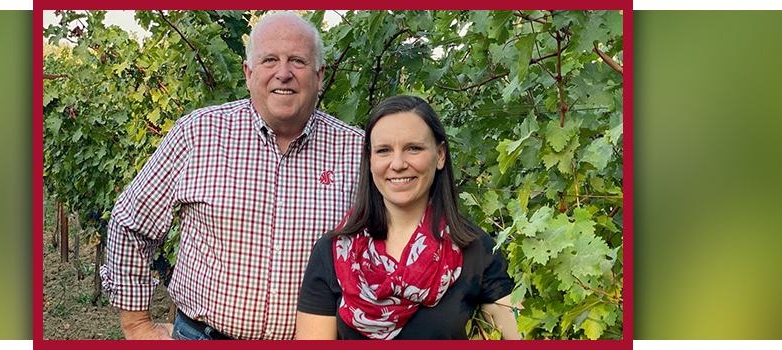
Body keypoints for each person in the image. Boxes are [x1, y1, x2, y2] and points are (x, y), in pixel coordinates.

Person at [101, 11, 365, 340]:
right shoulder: (198, 133)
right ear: (248, 72)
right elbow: (131, 222)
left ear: (319, 74)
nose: (283, 73)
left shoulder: (358, 151)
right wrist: (137, 325)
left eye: (297, 60)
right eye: (270, 60)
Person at [295, 95, 522, 340]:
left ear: (441, 155)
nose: (398, 163)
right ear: (370, 161)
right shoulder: (333, 253)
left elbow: (522, 336)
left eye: (413, 148)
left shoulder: (475, 249)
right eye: (384, 151)